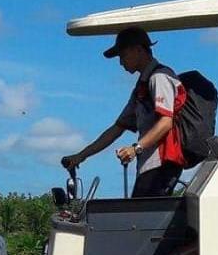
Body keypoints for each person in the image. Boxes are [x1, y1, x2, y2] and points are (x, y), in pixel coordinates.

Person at [61, 26, 186, 197]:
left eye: (123, 55)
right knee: (137, 218)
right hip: (150, 165)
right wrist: (81, 156)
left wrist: (136, 148)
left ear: (138, 50)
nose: (121, 62)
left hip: (162, 164)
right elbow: (117, 129)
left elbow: (166, 122)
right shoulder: (141, 87)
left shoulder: (160, 77)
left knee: (140, 220)